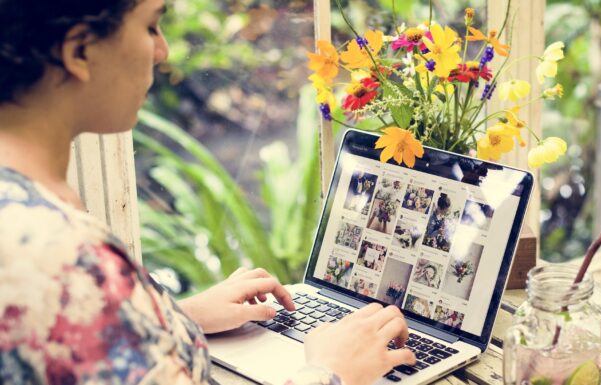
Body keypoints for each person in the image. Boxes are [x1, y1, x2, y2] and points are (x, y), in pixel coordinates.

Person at [0, 1, 416, 384]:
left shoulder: (23, 205)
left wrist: (171, 318)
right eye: (150, 27)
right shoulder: (64, 260)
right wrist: (331, 371)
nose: (162, 50)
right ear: (79, 53)